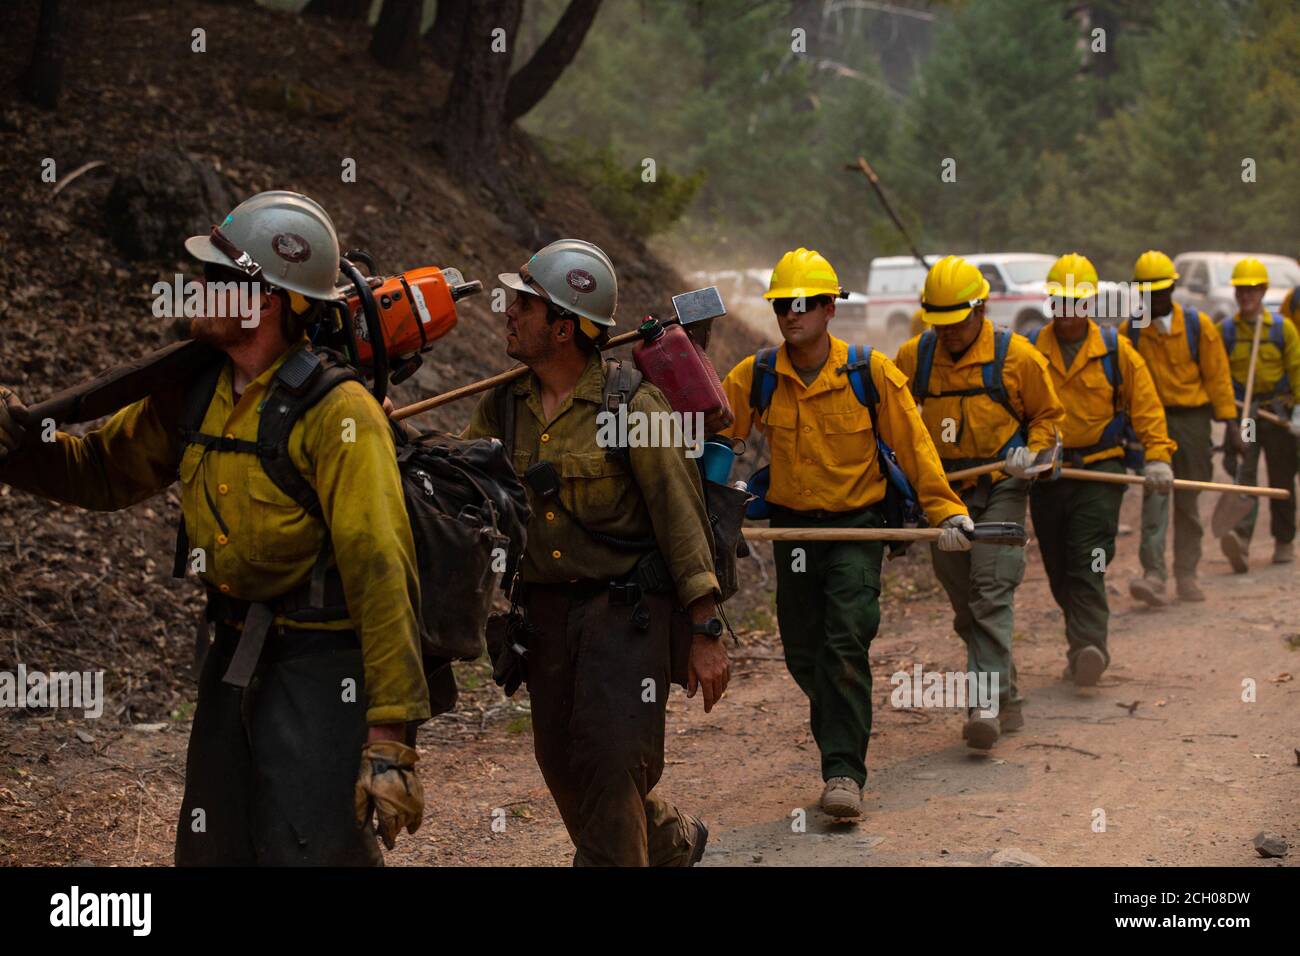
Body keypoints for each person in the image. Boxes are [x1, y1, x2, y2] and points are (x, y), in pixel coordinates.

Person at [0, 191, 430, 865]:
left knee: (313, 854)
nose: (196, 289)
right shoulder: (196, 392)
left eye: (215, 278)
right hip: (231, 658)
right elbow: (101, 473)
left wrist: (390, 742)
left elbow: (382, 573)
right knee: (211, 850)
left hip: (323, 670)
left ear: (261, 302)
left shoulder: (339, 415)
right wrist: (20, 447)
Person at [462, 239, 727, 866]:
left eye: (523, 305)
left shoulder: (633, 404)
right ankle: (667, 840)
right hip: (545, 619)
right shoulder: (505, 405)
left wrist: (706, 628)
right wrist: (391, 432)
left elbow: (683, 519)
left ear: (563, 327)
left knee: (610, 764)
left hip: (625, 617)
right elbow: (457, 474)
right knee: (564, 769)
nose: (508, 312)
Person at [719, 247, 969, 818]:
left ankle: (843, 773)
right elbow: (712, 437)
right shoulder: (756, 376)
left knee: (844, 645)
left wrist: (946, 511)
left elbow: (915, 445)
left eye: (805, 303)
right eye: (783, 304)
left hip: (856, 531)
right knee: (804, 654)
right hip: (793, 536)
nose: (792, 313)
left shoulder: (869, 372)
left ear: (831, 308)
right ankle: (841, 720)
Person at [895, 255, 1065, 748]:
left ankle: (984, 702)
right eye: (939, 323)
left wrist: (1030, 456)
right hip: (944, 493)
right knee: (966, 605)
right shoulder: (915, 357)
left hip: (1002, 488)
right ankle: (1006, 697)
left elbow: (1050, 421)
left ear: (982, 309)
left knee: (991, 590)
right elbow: (892, 418)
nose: (947, 333)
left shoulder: (1019, 357)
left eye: (957, 322)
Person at [1026, 253, 1176, 687]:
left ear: (1089, 304)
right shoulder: (1029, 350)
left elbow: (1146, 407)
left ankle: (1091, 646)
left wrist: (1158, 457)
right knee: (1057, 566)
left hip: (1100, 472)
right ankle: (1080, 645)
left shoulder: (1115, 350)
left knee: (1087, 560)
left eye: (1076, 302)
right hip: (1047, 476)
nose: (1068, 312)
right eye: (1061, 302)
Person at [1120, 251, 1240, 604]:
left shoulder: (1197, 325)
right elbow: (1123, 386)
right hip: (1151, 423)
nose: (1154, 299)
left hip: (1192, 421)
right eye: (1146, 292)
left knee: (1188, 499)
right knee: (1155, 496)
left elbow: (1218, 377)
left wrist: (1233, 425)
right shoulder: (1132, 332)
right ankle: (1154, 575)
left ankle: (1186, 573)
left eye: (1160, 291)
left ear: (1172, 288)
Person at [1217, 257, 1300, 570]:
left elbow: (1297, 369)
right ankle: (1241, 540)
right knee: (1245, 474)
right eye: (1241, 290)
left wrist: (1298, 414)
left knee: (1282, 477)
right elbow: (1217, 374)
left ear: (1263, 291)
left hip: (1277, 414)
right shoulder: (1225, 332)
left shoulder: (1282, 329)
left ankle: (1284, 540)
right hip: (1247, 417)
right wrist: (1229, 418)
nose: (1246, 296)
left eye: (1252, 290)